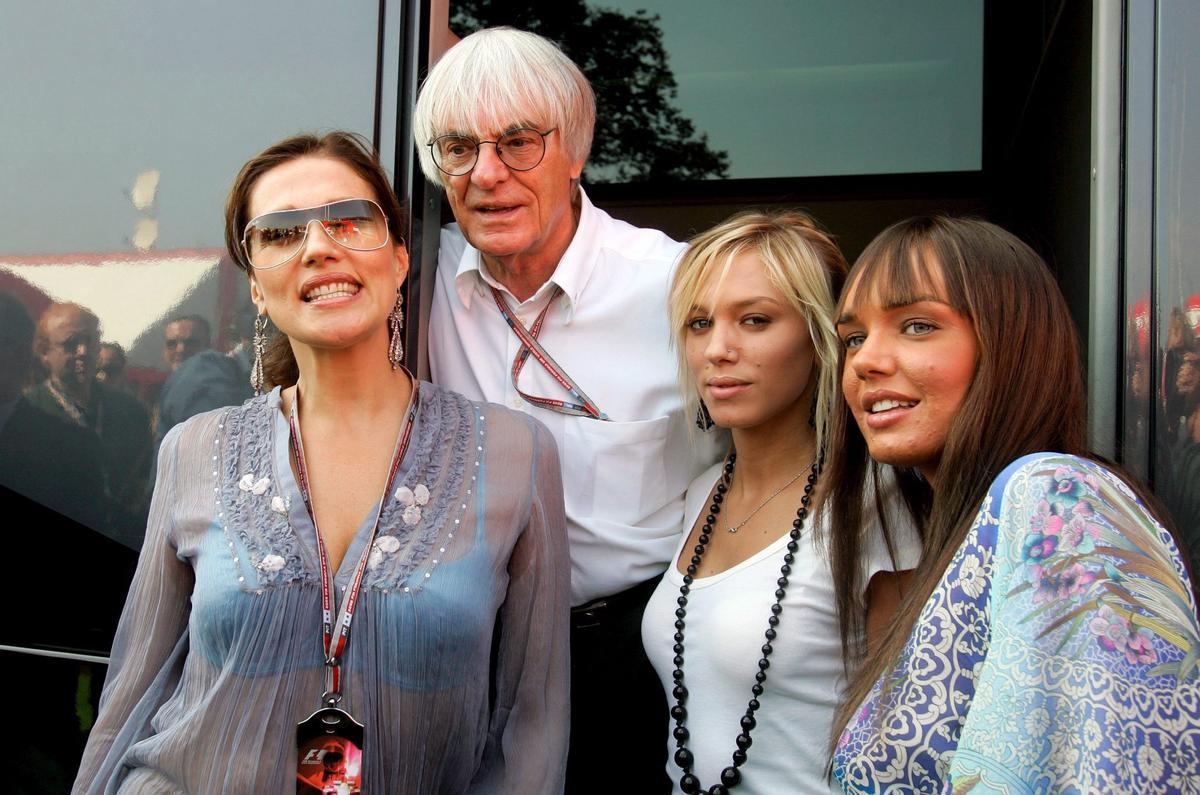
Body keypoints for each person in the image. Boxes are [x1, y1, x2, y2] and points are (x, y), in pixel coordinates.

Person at [72, 131, 570, 794]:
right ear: (254, 285)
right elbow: (132, 694)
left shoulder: (515, 452)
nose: (318, 247)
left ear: (398, 257)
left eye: (347, 220)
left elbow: (531, 722)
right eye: (279, 234)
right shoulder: (194, 449)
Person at [414, 27, 722, 791]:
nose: (487, 174)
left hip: (631, 652)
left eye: (518, 142)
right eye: (459, 148)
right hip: (471, 649)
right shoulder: (415, 276)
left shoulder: (676, 287)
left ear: (575, 151)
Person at [828, 216, 1200, 792]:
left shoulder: (1056, 496)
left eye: (918, 325)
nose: (863, 361)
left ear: (1011, 346)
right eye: (853, 337)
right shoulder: (972, 533)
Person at [640, 211, 919, 794]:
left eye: (756, 320)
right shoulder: (699, 494)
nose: (717, 348)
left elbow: (909, 738)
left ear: (821, 339)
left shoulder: (877, 501)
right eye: (698, 323)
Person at [26, 302, 153, 539]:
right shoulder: (27, 414)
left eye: (90, 341)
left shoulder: (131, 411)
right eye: (71, 344)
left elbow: (143, 478)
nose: (83, 351)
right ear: (45, 353)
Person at [156, 313, 252, 445]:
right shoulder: (169, 390)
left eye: (191, 342)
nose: (180, 349)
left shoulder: (206, 386)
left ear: (209, 346)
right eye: (172, 344)